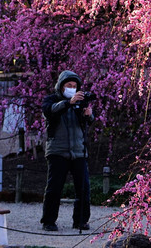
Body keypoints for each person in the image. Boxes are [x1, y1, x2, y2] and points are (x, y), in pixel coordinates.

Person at [40, 70, 94, 232]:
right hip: (57, 150)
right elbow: (50, 111)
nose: (71, 88)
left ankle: (81, 221)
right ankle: (48, 221)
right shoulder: (52, 100)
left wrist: (88, 114)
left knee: (83, 188)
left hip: (78, 151)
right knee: (54, 188)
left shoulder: (80, 101)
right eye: (68, 85)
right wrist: (68, 102)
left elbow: (87, 121)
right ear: (61, 86)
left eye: (74, 86)